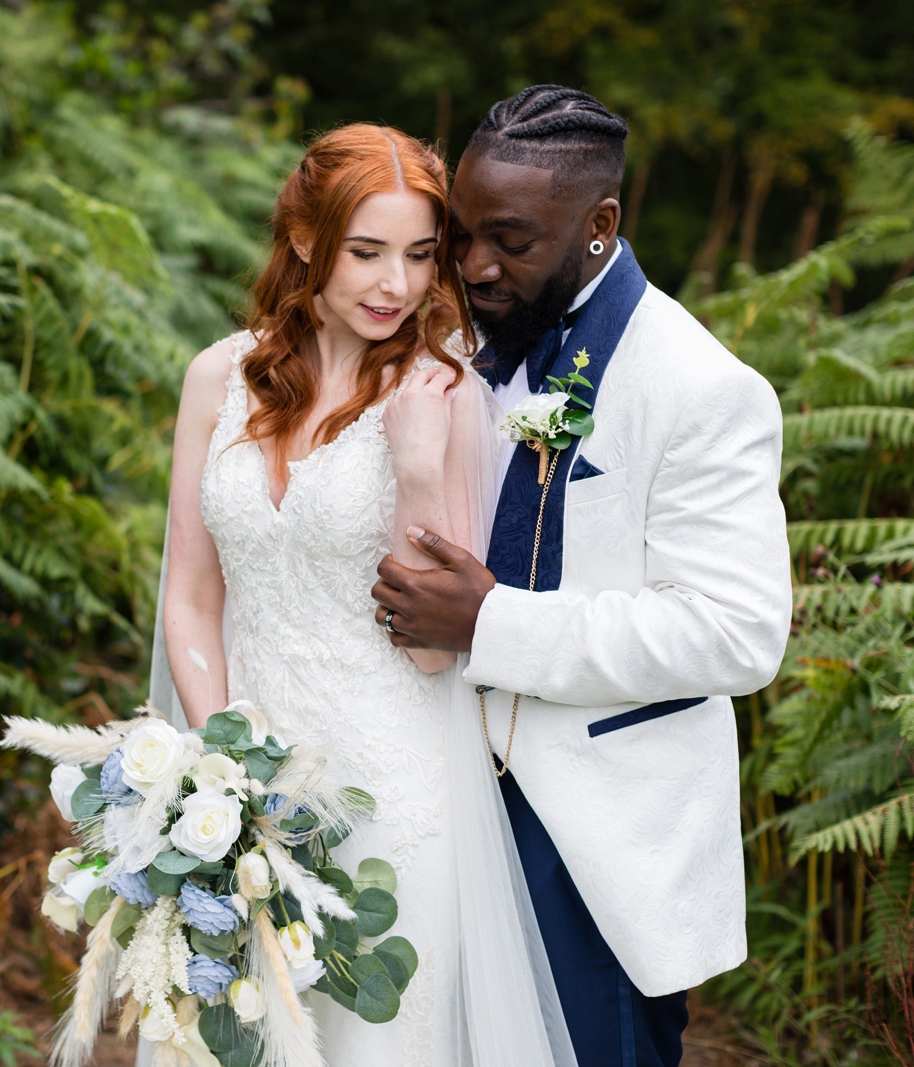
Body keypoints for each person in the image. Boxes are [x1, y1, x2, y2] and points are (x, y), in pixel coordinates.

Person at [370, 86, 792, 1066]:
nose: (473, 267)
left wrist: (492, 622)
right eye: (461, 234)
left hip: (599, 843)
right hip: (437, 810)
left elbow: (735, 631)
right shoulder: (453, 351)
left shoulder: (699, 387)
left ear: (600, 224)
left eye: (509, 241)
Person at [150, 123, 575, 1066]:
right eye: (367, 252)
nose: (396, 285)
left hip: (391, 790)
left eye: (422, 256)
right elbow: (189, 596)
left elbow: (433, 647)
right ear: (306, 240)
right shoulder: (218, 376)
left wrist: (421, 471)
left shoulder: (442, 390)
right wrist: (223, 779)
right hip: (245, 784)